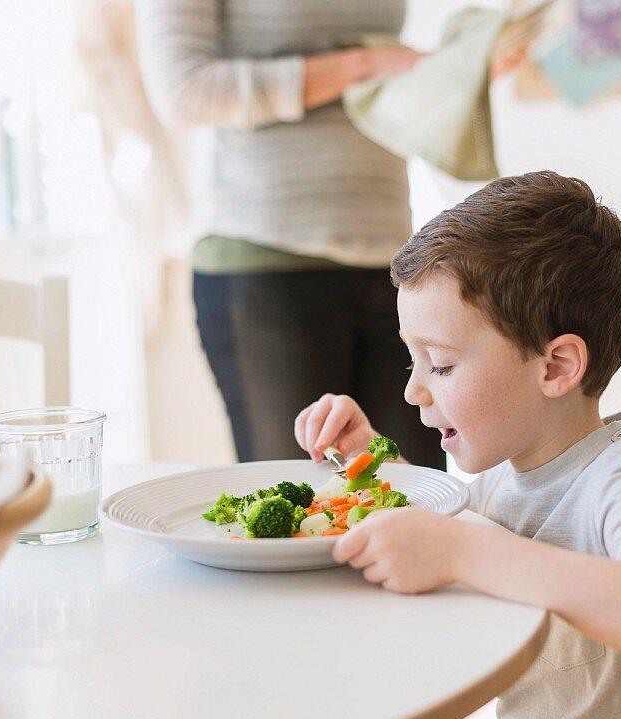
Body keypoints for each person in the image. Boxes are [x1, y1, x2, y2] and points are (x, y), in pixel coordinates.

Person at [294, 171, 621, 719]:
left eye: (442, 364)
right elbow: (440, 523)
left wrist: (462, 552)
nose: (412, 390)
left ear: (556, 367)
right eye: (412, 361)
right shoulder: (510, 476)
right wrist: (367, 456)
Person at [133, 0, 445, 467]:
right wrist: (365, 64)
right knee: (301, 499)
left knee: (420, 492)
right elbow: (184, 90)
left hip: (391, 257)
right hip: (266, 256)